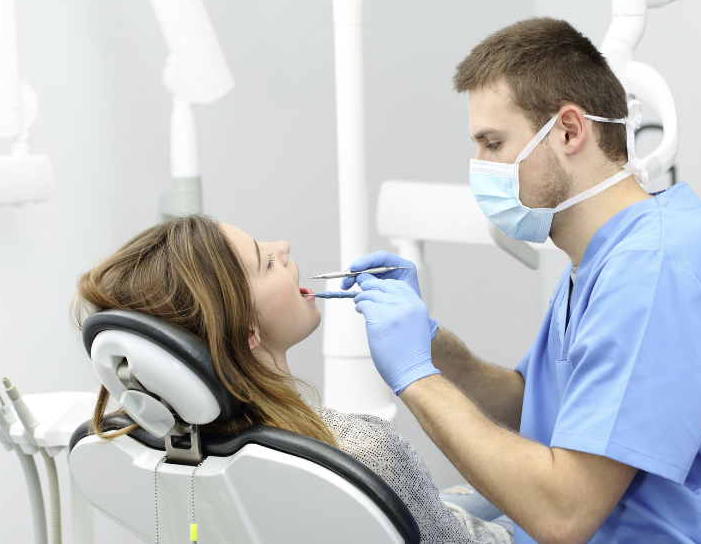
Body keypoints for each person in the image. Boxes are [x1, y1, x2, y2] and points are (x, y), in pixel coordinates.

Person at [343, 17, 701, 544]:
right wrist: (433, 345)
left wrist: (415, 378)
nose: (479, 166)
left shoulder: (654, 271)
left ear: (568, 130)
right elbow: (539, 406)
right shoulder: (601, 257)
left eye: (492, 143)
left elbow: (564, 514)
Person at [71, 214, 513, 544]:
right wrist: (417, 373)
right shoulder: (363, 451)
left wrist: (429, 337)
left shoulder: (152, 447)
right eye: (266, 262)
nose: (283, 245)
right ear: (249, 332)